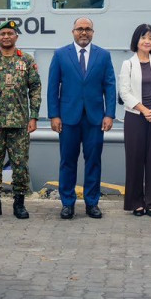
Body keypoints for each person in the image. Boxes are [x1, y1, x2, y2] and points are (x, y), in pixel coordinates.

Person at [48, 17, 117, 220]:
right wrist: (54, 115)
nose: (84, 32)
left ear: (93, 32)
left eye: (88, 29)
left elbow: (110, 87)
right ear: (73, 32)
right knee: (67, 161)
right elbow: (53, 88)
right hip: (68, 118)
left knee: (93, 161)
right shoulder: (61, 55)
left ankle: (92, 203)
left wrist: (109, 114)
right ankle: (67, 204)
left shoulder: (103, 56)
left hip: (95, 119)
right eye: (80, 29)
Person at [0, 20, 42, 220]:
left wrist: (34, 116)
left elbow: (35, 89)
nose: (6, 37)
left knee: (20, 165)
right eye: (2, 34)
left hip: (20, 123)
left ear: (16, 37)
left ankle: (19, 204)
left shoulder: (27, 61)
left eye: (10, 33)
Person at [118, 24, 151, 217]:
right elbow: (124, 92)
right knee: (134, 160)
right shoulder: (128, 64)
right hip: (135, 118)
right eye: (143, 37)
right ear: (136, 40)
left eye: (150, 38)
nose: (147, 41)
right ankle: (135, 203)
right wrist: (143, 110)